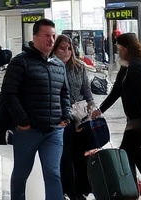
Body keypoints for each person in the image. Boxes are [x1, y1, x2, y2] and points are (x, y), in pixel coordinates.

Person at [2, 18, 71, 200]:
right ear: (35, 37)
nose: (51, 40)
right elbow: (9, 93)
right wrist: (22, 121)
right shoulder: (20, 62)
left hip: (54, 130)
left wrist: (66, 115)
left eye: (53, 36)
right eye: (46, 35)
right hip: (28, 130)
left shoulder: (59, 65)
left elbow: (64, 93)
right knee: (21, 173)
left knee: (53, 172)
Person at [97, 33, 141, 192]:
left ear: (126, 48)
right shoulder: (127, 67)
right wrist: (100, 109)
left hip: (140, 119)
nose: (118, 52)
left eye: (119, 48)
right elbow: (116, 91)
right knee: (133, 154)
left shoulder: (137, 66)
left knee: (127, 153)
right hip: (134, 119)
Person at [54, 35, 97, 200]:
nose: (67, 51)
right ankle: (69, 190)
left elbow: (86, 90)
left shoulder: (78, 67)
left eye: (69, 48)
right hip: (61, 118)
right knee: (65, 157)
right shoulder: (51, 67)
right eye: (62, 48)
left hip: (80, 117)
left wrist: (92, 108)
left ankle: (81, 190)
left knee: (81, 155)